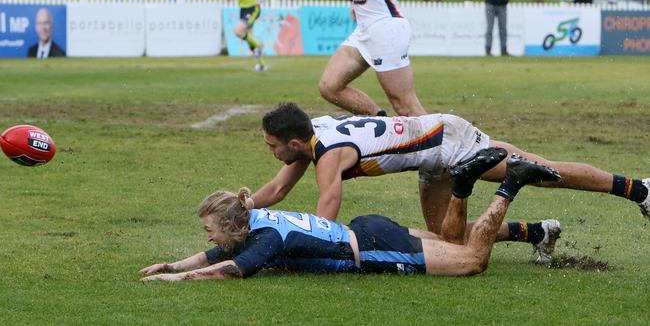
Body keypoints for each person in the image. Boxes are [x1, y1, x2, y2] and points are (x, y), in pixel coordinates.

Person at [251, 103, 650, 256]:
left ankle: (639, 188)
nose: (272, 153)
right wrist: (244, 207)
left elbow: (327, 223)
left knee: (544, 173)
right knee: (450, 237)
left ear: (295, 141)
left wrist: (308, 254)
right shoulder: (311, 136)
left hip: (448, 140)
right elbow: (278, 189)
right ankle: (538, 233)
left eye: (273, 147)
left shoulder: (327, 156)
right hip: (431, 158)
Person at [139, 154, 562, 282]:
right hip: (366, 226)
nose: (208, 236)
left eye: (210, 227)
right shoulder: (255, 220)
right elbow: (217, 253)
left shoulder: (264, 243)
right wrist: (173, 263)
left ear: (233, 225)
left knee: (471, 260)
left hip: (374, 248)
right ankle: (464, 185)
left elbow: (228, 268)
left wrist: (171, 280)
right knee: (451, 243)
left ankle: (510, 184)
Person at [309, 0, 425, 117]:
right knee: (330, 86)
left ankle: (441, 141)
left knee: (404, 105)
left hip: (385, 28)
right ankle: (380, 121)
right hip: (364, 30)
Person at [225, 0, 270, 72]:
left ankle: (259, 46)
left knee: (237, 31)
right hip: (243, 9)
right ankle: (261, 65)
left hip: (253, 7)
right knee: (249, 38)